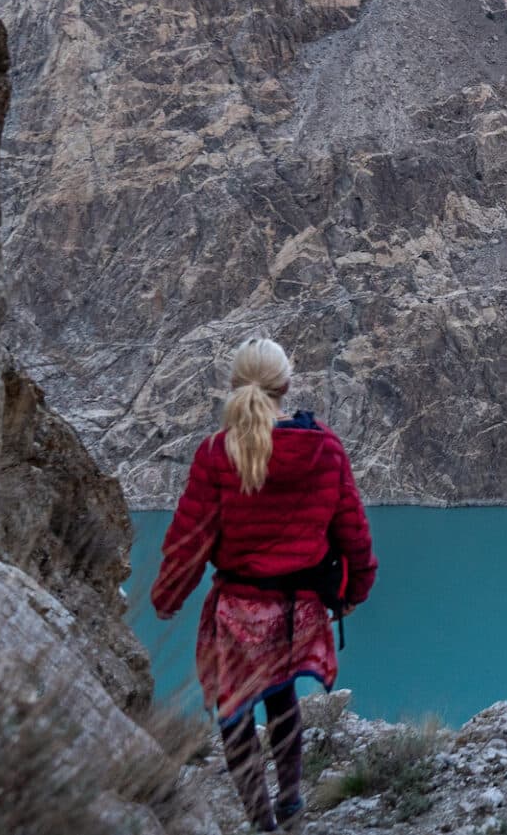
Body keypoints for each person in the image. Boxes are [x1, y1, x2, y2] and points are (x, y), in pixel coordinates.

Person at [152, 337, 377, 831]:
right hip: (301, 611)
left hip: (241, 614)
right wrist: (354, 591)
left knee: (235, 715)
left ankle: (262, 823)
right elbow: (353, 531)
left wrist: (168, 597)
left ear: (234, 386)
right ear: (286, 386)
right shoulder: (324, 447)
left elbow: (190, 539)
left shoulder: (216, 453)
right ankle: (292, 800)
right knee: (281, 696)